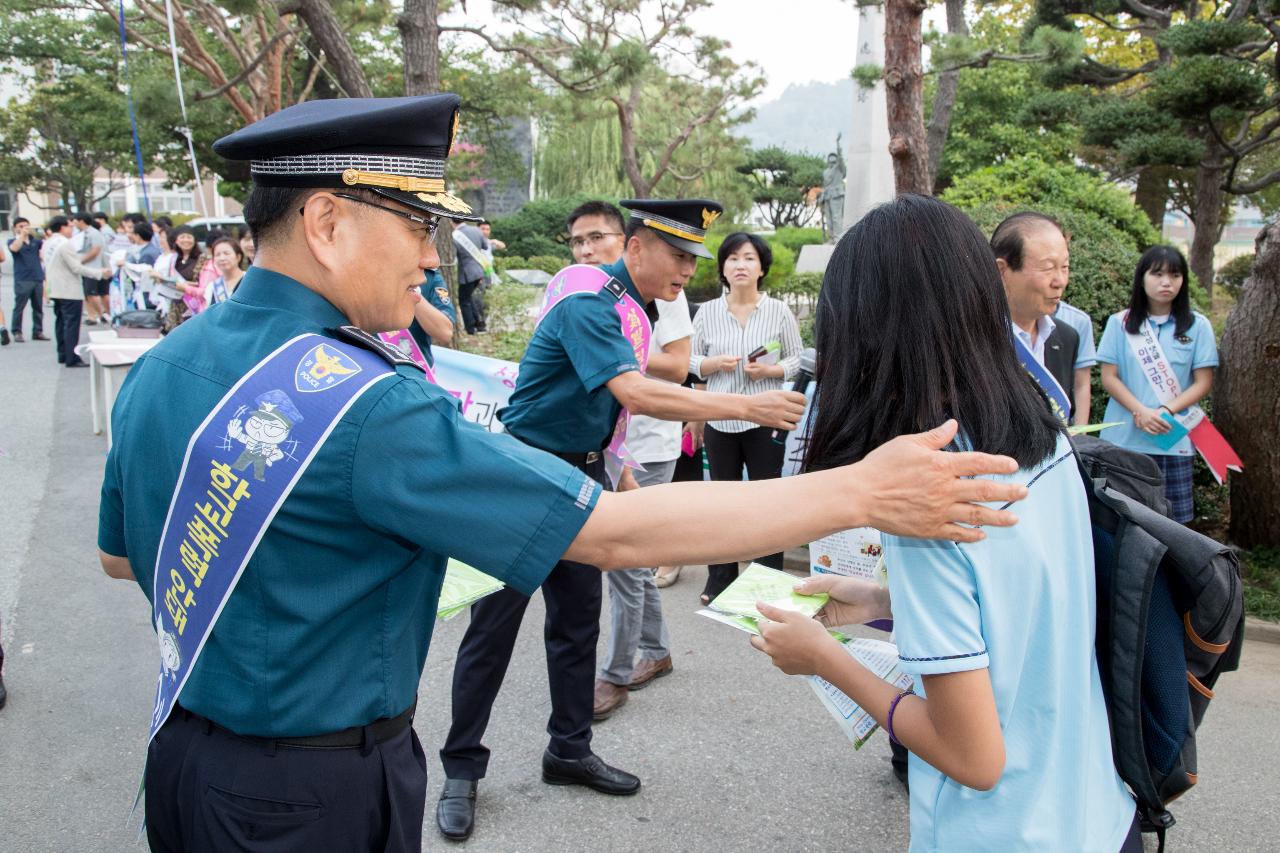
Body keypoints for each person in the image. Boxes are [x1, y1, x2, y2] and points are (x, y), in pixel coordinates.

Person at [98, 95, 1028, 853]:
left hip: (184, 760)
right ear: (328, 221)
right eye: (422, 224)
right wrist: (861, 489)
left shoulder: (166, 368)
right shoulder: (366, 403)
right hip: (312, 797)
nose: (433, 255)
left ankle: (564, 745)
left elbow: (119, 557)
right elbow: (614, 535)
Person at [751, 194, 1141, 853]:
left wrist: (821, 658)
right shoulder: (1043, 432)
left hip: (1004, 834)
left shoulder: (926, 498)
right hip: (1098, 814)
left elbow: (974, 757)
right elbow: (1023, 608)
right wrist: (883, 601)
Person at [437, 200, 807, 841]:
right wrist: (745, 406)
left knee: (578, 621)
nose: (689, 270)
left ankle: (568, 749)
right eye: (679, 255)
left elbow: (605, 415)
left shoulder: (628, 312)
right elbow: (633, 391)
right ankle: (461, 769)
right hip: (525, 479)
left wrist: (619, 472)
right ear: (636, 249)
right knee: (493, 630)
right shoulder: (590, 306)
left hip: (581, 479)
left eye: (696, 258)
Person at [563, 201, 691, 721]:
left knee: (622, 562)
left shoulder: (664, 291)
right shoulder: (584, 294)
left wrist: (610, 353)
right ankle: (656, 651)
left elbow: (679, 368)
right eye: (578, 242)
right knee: (632, 561)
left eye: (598, 238)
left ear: (628, 243)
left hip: (648, 441)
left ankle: (614, 675)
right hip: (610, 442)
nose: (589, 250)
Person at [687, 231, 804, 604]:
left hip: (766, 419)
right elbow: (686, 362)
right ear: (722, 267)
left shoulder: (778, 310)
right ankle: (720, 579)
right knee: (721, 504)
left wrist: (770, 373)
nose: (741, 265)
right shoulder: (706, 312)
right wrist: (710, 364)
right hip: (719, 419)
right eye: (733, 258)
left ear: (761, 268)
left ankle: (768, 581)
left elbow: (799, 359)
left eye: (749, 258)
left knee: (767, 503)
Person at [1097, 246, 1217, 523]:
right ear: (1142, 277)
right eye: (1158, 273)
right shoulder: (1120, 323)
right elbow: (1109, 376)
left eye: (1174, 275)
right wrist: (1141, 410)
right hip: (1123, 441)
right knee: (1120, 522)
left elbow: (1203, 382)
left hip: (1172, 440)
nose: (1166, 282)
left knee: (1174, 525)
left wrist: (1165, 410)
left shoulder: (1198, 326)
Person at [990, 212, 1089, 425]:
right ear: (1002, 270)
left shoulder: (1066, 337)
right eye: (1048, 268)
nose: (1060, 281)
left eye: (1065, 267)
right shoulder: (972, 338)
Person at [44, 215, 111, 366]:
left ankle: (62, 353)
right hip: (68, 289)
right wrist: (100, 273)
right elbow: (76, 267)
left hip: (55, 288)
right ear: (62, 227)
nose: (72, 230)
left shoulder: (49, 242)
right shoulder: (64, 244)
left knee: (60, 322)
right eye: (69, 226)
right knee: (71, 324)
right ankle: (71, 357)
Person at [8, 217, 47, 344]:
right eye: (20, 226)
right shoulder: (13, 240)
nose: (24, 228)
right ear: (15, 228)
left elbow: (43, 254)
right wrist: (21, 236)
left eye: (26, 225)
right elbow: (14, 248)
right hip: (22, 279)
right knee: (19, 306)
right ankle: (17, 331)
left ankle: (38, 331)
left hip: (37, 277)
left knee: (38, 307)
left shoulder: (36, 241)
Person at [408, 267, 456, 366]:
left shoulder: (429, 275)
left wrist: (412, 291)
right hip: (374, 369)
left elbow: (445, 333)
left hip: (417, 369)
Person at [452, 220, 490, 333]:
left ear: (451, 221)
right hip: (479, 270)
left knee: (464, 300)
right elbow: (485, 246)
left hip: (467, 273)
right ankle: (480, 324)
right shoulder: (476, 230)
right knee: (470, 297)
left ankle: (470, 328)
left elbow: (453, 254)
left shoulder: (455, 235)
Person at [73, 212, 110, 325]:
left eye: (75, 220)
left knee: (93, 293)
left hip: (94, 267)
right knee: (87, 294)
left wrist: (80, 261)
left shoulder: (94, 233)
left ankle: (104, 314)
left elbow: (95, 250)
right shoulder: (81, 234)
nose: (73, 223)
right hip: (85, 269)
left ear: (81, 221)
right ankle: (92, 316)